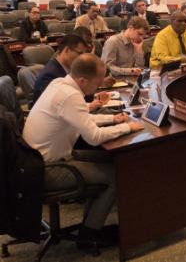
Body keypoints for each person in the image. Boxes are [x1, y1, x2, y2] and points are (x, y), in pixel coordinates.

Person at [23, 53, 143, 249]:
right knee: (115, 175)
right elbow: (93, 137)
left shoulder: (60, 84)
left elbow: (79, 118)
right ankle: (89, 235)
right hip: (47, 168)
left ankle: (91, 221)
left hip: (38, 160)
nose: (98, 87)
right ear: (82, 80)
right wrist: (128, 127)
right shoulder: (71, 95)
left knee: (111, 159)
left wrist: (113, 120)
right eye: (97, 83)